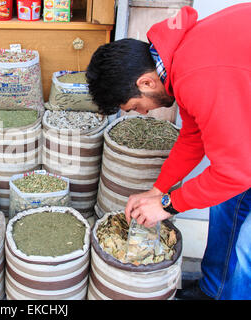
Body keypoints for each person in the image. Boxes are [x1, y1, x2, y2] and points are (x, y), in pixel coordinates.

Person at [86, 3, 251, 300]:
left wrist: (168, 205)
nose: (144, 114)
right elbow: (193, 137)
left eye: (136, 107)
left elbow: (235, 172)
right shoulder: (182, 58)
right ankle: (213, 290)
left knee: (247, 250)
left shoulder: (198, 75)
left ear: (146, 83)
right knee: (227, 204)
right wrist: (158, 189)